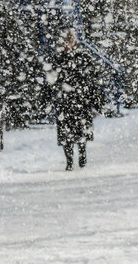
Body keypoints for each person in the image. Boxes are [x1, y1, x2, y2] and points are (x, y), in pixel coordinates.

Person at [52, 29, 104, 170]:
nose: (67, 44)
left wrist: (94, 99)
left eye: (68, 40)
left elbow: (91, 79)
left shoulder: (79, 57)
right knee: (68, 133)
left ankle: (81, 155)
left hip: (77, 99)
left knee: (78, 131)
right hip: (70, 100)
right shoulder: (61, 58)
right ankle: (70, 161)